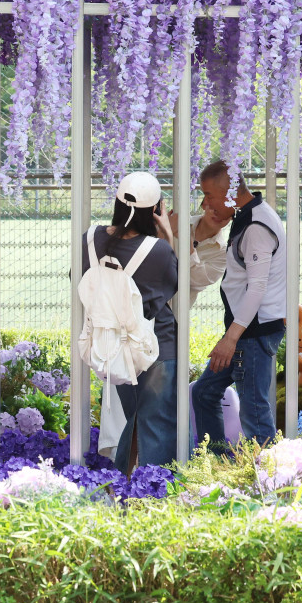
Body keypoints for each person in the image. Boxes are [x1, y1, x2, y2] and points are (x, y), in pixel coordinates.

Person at [98, 200, 230, 465]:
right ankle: (137, 480)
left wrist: (170, 241)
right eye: (213, 204)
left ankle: (134, 481)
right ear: (205, 201)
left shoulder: (221, 253)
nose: (217, 212)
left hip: (167, 330)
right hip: (135, 327)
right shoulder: (176, 221)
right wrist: (161, 236)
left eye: (226, 210)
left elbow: (188, 280)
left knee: (151, 414)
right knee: (137, 414)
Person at [82, 172, 179, 470]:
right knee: (157, 424)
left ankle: (123, 484)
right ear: (156, 209)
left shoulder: (90, 239)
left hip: (113, 350)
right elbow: (174, 286)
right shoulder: (159, 250)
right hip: (155, 347)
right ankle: (154, 494)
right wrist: (169, 237)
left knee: (134, 418)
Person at [191, 160, 287, 449]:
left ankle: (269, 485)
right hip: (243, 331)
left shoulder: (257, 226)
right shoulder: (249, 214)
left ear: (230, 193)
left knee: (255, 413)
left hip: (251, 333)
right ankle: (218, 465)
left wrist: (230, 339)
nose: (205, 204)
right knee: (205, 393)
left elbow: (257, 288)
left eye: (209, 195)